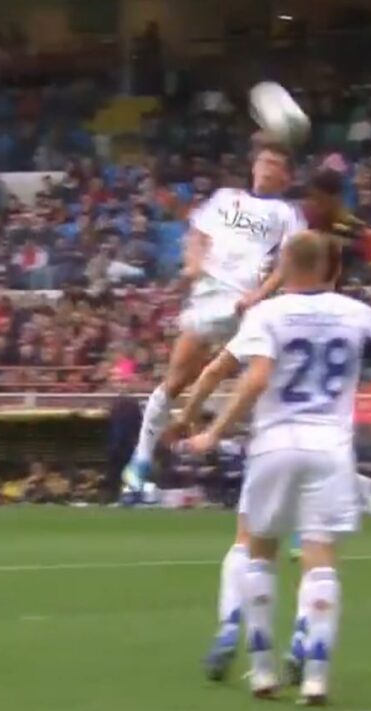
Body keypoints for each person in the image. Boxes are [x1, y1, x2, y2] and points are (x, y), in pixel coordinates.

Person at [180, 230, 371, 704]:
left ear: (284, 266)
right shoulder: (356, 313)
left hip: (275, 442)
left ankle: (263, 670)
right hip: (330, 446)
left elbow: (232, 372)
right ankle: (317, 677)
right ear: (333, 269)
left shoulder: (268, 313)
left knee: (259, 551)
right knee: (320, 562)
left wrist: (197, 422)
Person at [122, 142, 306, 493]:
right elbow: (197, 234)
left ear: (286, 176)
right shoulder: (225, 197)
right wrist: (192, 263)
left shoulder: (287, 213)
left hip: (248, 303)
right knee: (176, 381)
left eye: (275, 164)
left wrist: (261, 294)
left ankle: (287, 484)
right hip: (209, 296)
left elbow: (289, 261)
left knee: (271, 386)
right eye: (263, 161)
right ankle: (141, 460)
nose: (266, 168)